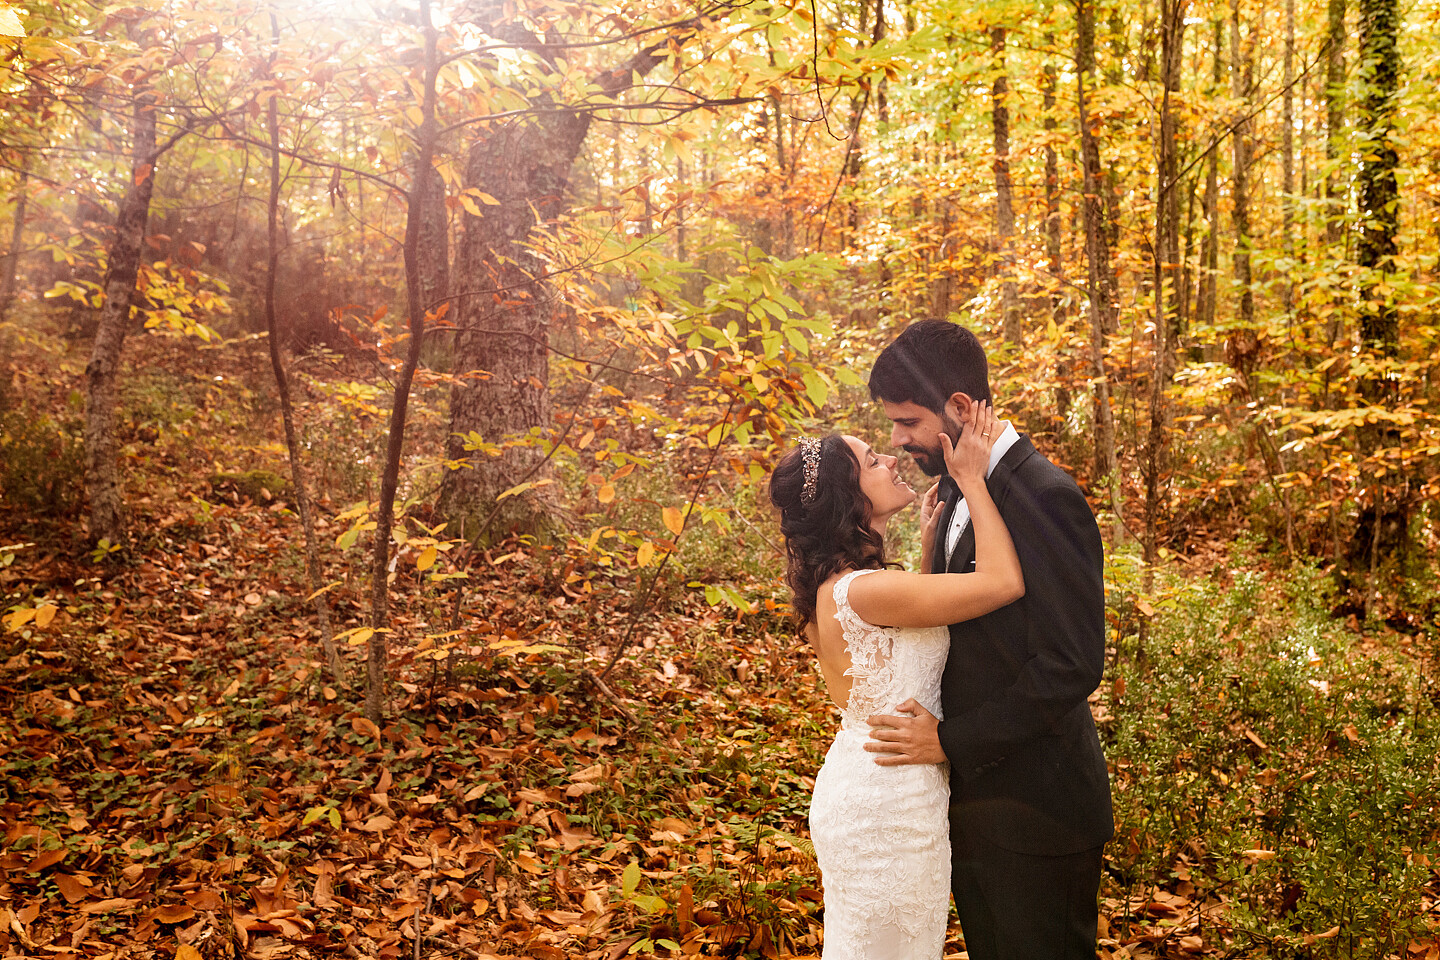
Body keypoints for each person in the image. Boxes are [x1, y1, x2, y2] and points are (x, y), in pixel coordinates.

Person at [865, 319, 1114, 960]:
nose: (897, 440)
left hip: (1039, 814)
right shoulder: (957, 483)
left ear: (959, 406)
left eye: (909, 422)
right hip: (975, 808)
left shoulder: (1045, 496)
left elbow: (1072, 663)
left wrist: (950, 742)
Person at [769, 401, 1023, 959]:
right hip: (888, 806)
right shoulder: (866, 590)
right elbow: (1004, 582)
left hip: (878, 786)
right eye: (871, 461)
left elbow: (902, 646)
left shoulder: (844, 587)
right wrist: (972, 481)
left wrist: (929, 554)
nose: (890, 458)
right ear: (849, 499)